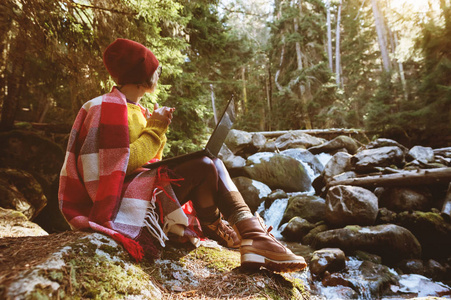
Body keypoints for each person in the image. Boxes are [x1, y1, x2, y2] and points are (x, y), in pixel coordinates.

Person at [59, 38, 307, 273]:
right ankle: (252, 237)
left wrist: (158, 128)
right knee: (205, 165)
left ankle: (244, 235)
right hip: (120, 204)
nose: (158, 74)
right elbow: (119, 166)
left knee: (210, 162)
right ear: (141, 73)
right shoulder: (105, 108)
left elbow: (148, 160)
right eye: (155, 69)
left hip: (139, 194)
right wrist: (156, 128)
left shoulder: (135, 109)